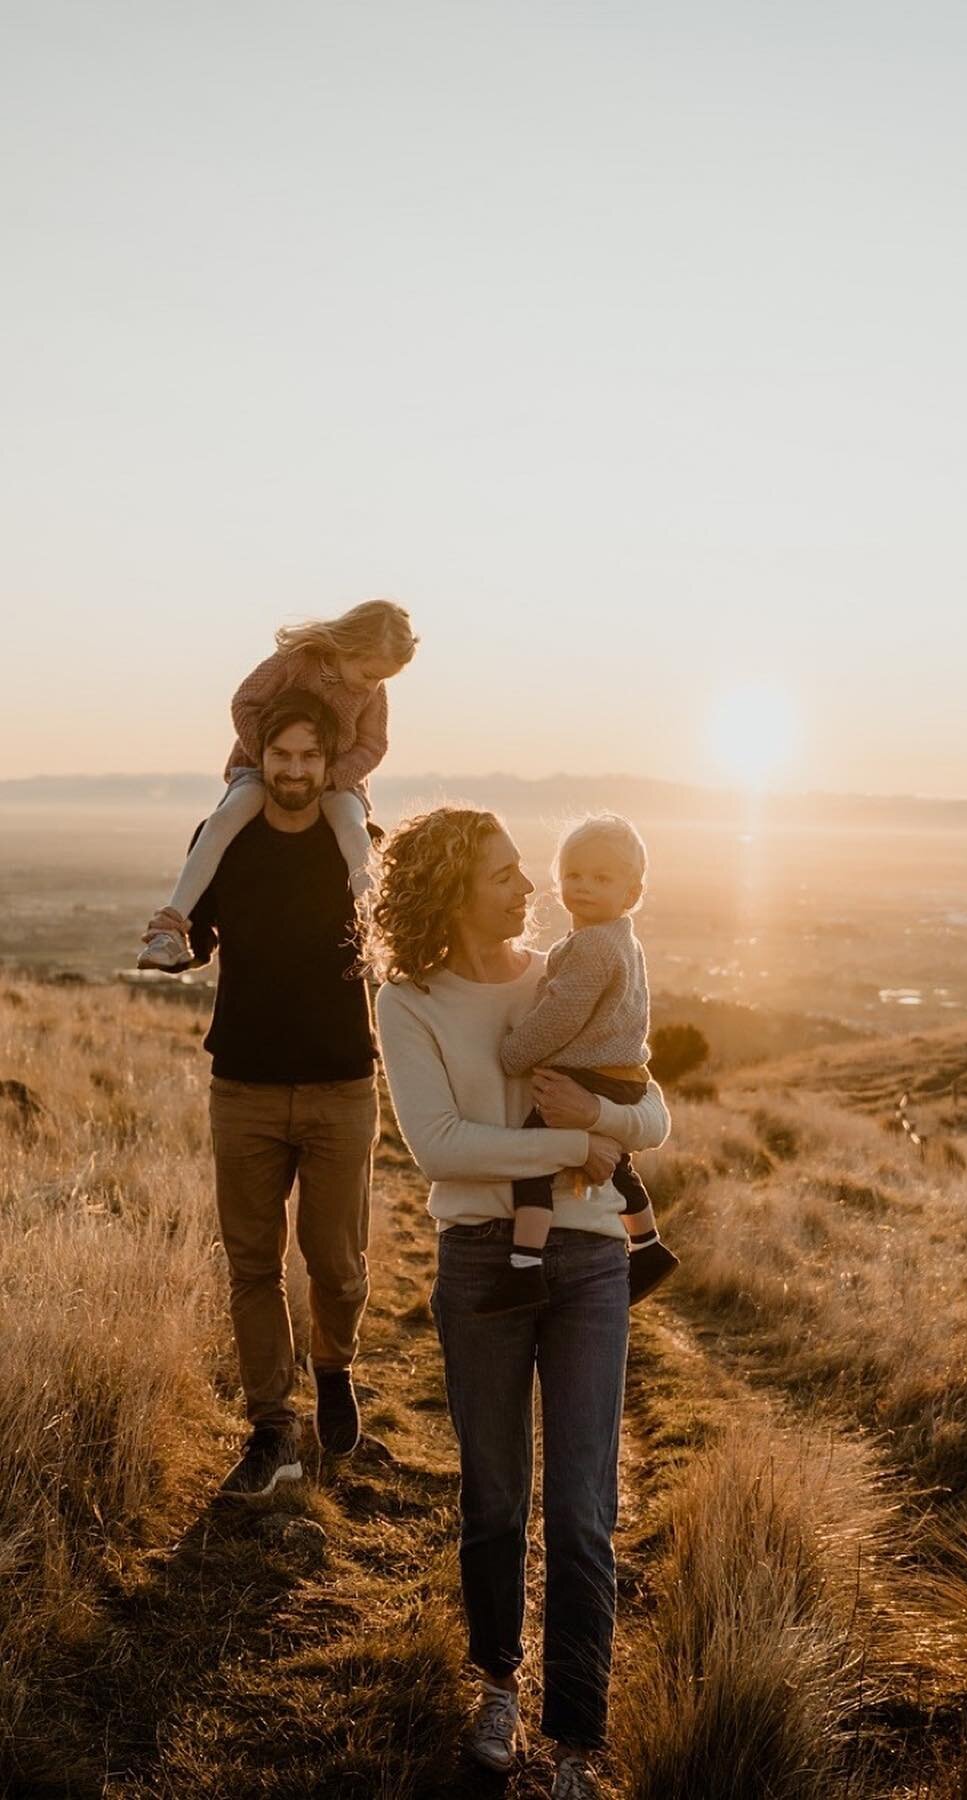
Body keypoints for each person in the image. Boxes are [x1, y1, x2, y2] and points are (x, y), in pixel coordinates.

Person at [371, 805, 670, 1800]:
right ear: (455, 887)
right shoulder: (408, 1000)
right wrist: (573, 1147)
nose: (529, 888)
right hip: (478, 1266)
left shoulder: (569, 969)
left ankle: (577, 1742)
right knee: (495, 1502)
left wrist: (602, 1119)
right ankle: (498, 1684)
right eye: (506, 873)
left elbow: (654, 1112)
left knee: (583, 1514)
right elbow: (441, 1146)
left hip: (585, 1263)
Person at [143, 689, 379, 1498]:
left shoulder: (358, 844)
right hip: (241, 1083)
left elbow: (395, 940)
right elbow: (195, 941)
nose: (294, 771)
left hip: (341, 1083)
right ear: (258, 758)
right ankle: (271, 1427)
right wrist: (173, 952)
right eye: (281, 755)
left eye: (310, 756)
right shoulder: (225, 837)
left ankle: (335, 1367)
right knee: (253, 1264)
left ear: (329, 762)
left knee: (338, 1264)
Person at [138, 598, 417, 970]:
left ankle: (376, 933)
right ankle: (170, 930)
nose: (373, 684)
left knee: (354, 831)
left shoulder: (372, 691)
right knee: (222, 821)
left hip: (336, 777)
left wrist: (333, 776)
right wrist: (268, 757)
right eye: (369, 674)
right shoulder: (296, 661)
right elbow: (244, 701)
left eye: (382, 679)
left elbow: (373, 744)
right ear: (350, 647)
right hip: (261, 766)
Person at [492, 812, 678, 1313]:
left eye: (601, 878)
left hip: (588, 1073)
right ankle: (646, 1244)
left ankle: (525, 1265)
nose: (584, 886)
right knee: (617, 1162)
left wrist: (515, 1053)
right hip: (623, 1076)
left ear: (631, 892)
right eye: (573, 875)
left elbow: (561, 1016)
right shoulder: (619, 938)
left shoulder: (594, 946)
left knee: (533, 1157)